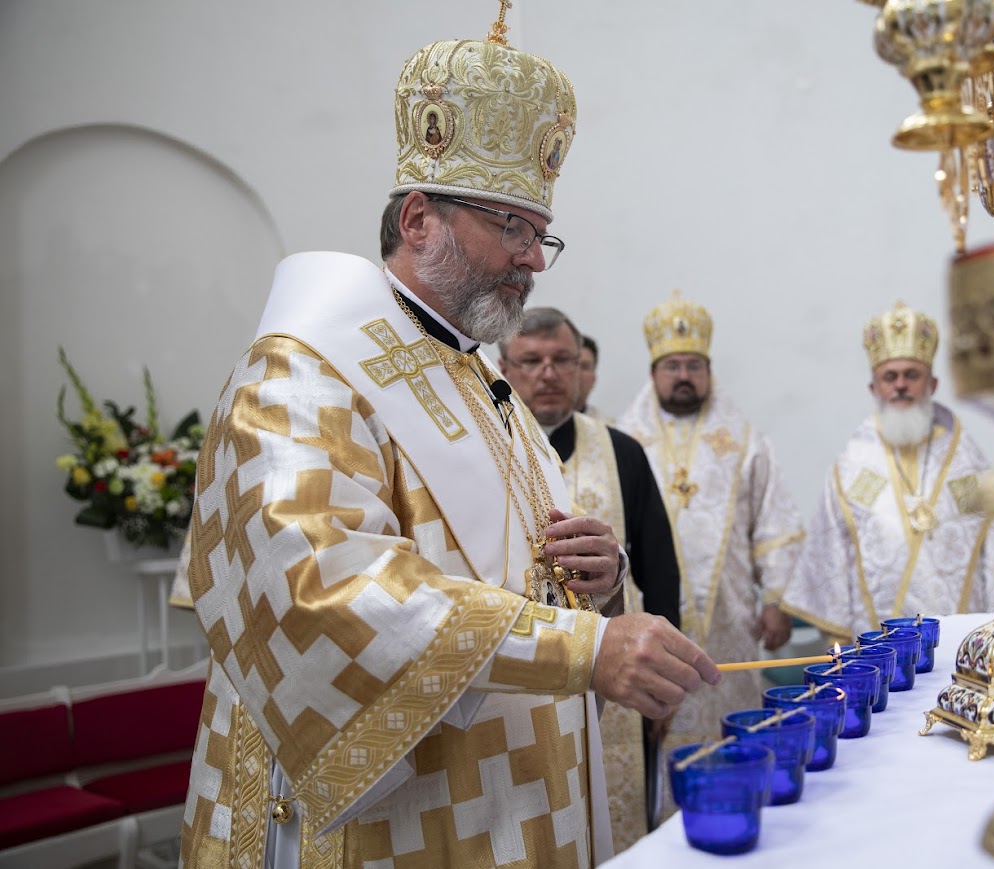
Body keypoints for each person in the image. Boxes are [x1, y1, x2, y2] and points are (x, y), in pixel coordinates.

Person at [177, 32, 719, 868]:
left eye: (542, 234)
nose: (534, 259)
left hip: (516, 803)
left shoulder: (478, 379)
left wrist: (598, 581)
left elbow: (516, 573)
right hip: (390, 823)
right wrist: (582, 646)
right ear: (419, 219)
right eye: (513, 226)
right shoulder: (300, 371)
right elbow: (321, 585)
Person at [498, 306, 680, 853]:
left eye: (563, 360)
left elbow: (660, 569)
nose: (548, 374)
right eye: (531, 361)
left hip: (612, 680)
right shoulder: (481, 451)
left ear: (583, 369)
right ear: (504, 369)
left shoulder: (622, 452)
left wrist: (663, 676)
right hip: (515, 680)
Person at [617, 292, 804, 773]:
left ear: (708, 371)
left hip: (730, 620)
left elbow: (775, 524)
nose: (683, 375)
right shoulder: (621, 440)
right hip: (648, 615)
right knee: (655, 742)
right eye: (672, 365)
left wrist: (776, 600)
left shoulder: (744, 440)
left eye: (694, 365)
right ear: (654, 372)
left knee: (732, 728)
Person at [779, 302, 994, 643]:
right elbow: (830, 558)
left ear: (932, 384)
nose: (900, 386)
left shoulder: (968, 465)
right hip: (878, 651)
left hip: (961, 646)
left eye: (912, 375)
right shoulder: (851, 470)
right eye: (890, 377)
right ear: (874, 388)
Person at [575, 333, 610, 422]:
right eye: (571, 364)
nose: (577, 373)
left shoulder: (606, 427)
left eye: (584, 367)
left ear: (594, 379)